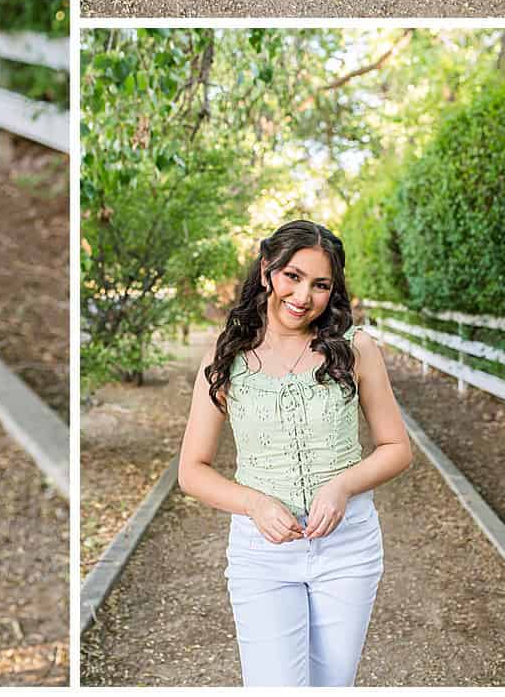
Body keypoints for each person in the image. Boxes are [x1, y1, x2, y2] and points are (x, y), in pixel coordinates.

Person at [177, 221, 412, 686]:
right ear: (268, 270)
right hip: (262, 553)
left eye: (320, 284)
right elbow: (191, 470)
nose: (304, 296)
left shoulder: (354, 350)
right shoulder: (226, 359)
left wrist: (343, 485)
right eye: (293, 276)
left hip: (349, 549)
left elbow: (397, 448)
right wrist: (254, 503)